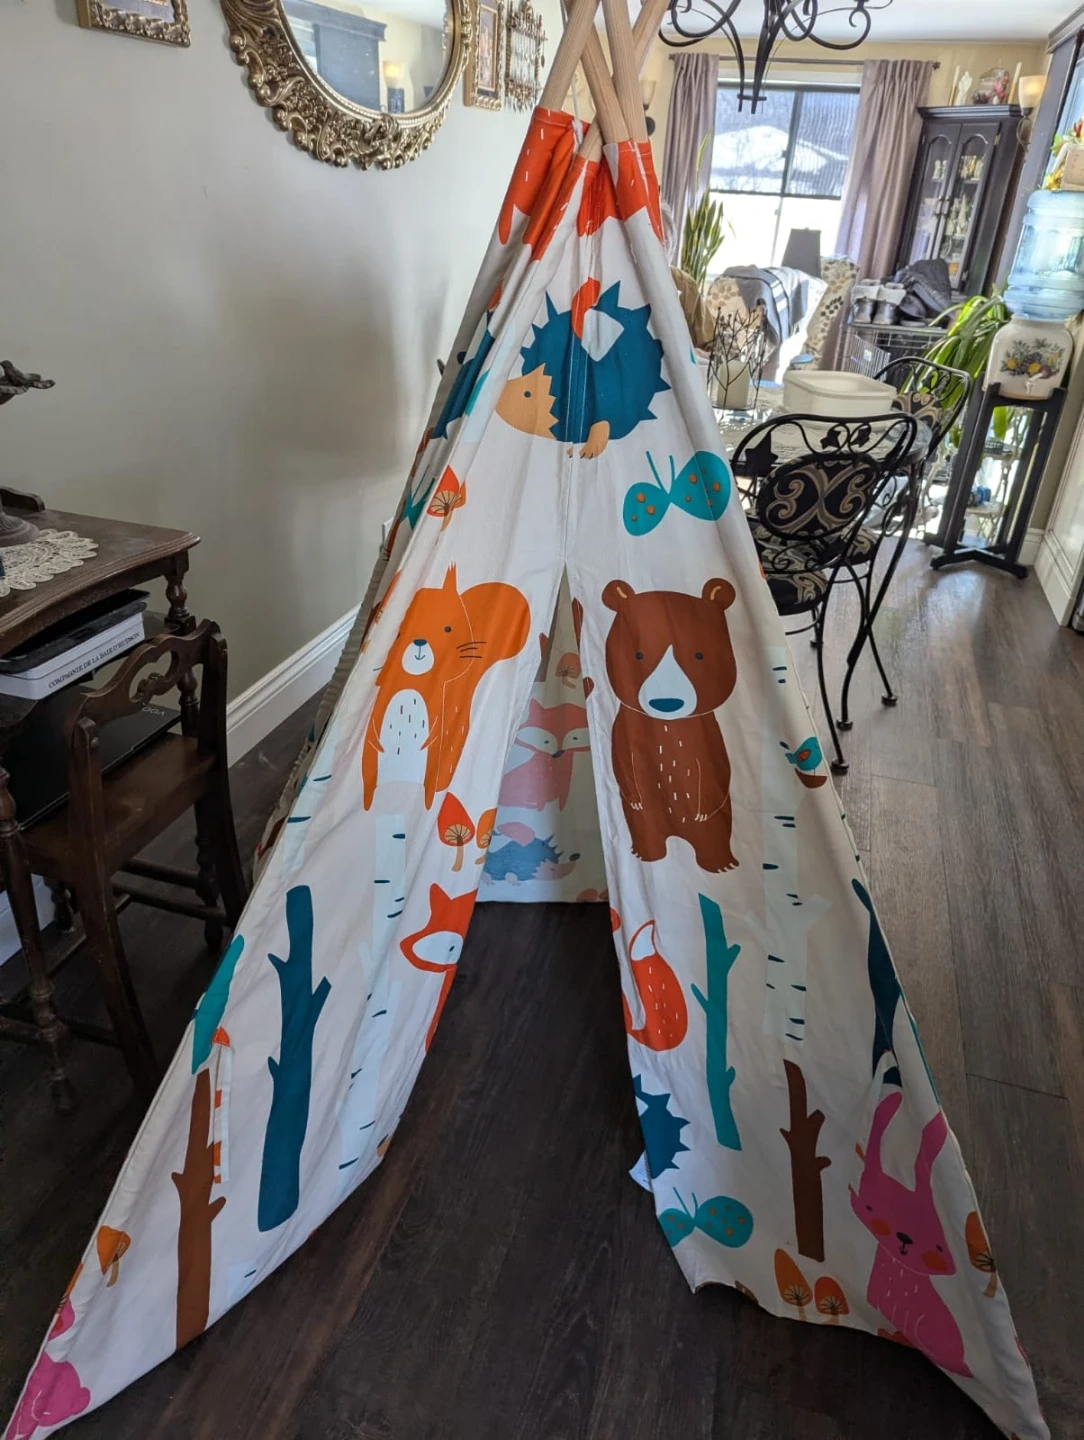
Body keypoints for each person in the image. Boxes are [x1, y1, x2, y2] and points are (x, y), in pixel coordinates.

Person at [660, 201, 716, 351]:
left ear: (672, 249)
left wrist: (693, 356)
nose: (656, 249)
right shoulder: (615, 282)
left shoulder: (685, 286)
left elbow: (715, 346)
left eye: (663, 242)